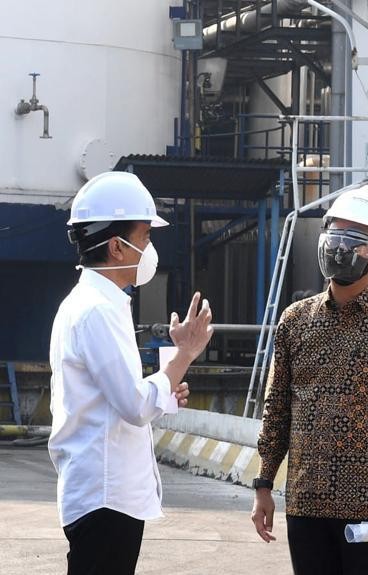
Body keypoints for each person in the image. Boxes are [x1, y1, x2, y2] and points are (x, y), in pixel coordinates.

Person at [251, 184, 368, 575]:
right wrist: (263, 484)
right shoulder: (295, 321)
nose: (340, 249)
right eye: (334, 236)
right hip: (306, 504)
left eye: (354, 242)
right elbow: (277, 409)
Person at [49, 171, 214, 575]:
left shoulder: (101, 303)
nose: (149, 248)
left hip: (106, 493)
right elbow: (134, 406)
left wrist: (167, 386)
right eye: (144, 237)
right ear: (116, 248)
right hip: (104, 495)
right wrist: (184, 356)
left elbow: (122, 398)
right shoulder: (96, 310)